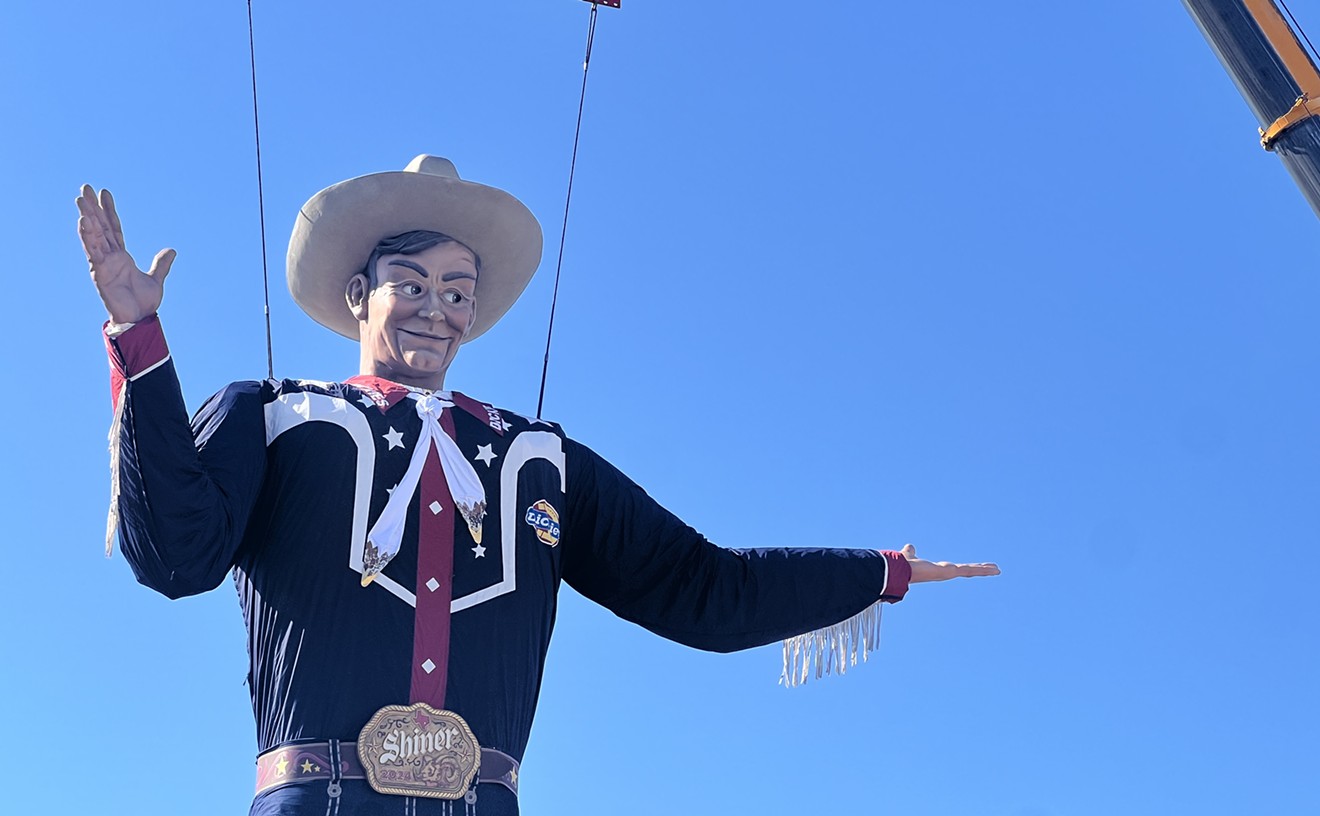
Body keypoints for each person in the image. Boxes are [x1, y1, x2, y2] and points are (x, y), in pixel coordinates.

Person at [78, 155, 999, 816]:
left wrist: (880, 573)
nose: (438, 309)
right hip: (319, 802)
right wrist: (140, 343)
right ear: (359, 294)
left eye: (457, 290)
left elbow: (706, 588)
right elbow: (174, 554)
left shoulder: (540, 461)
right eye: (411, 283)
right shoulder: (276, 415)